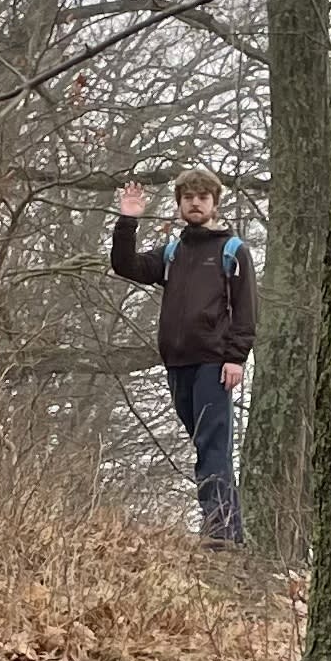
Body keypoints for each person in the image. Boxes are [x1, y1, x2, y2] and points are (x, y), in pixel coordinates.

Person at [111, 168, 258, 542]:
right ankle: (230, 533)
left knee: (212, 445)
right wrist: (128, 220)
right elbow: (126, 266)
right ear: (179, 204)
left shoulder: (232, 251)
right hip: (177, 364)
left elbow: (246, 310)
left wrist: (236, 358)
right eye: (188, 197)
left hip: (214, 363)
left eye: (202, 197)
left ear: (214, 204)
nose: (195, 203)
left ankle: (218, 532)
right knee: (207, 444)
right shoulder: (172, 253)